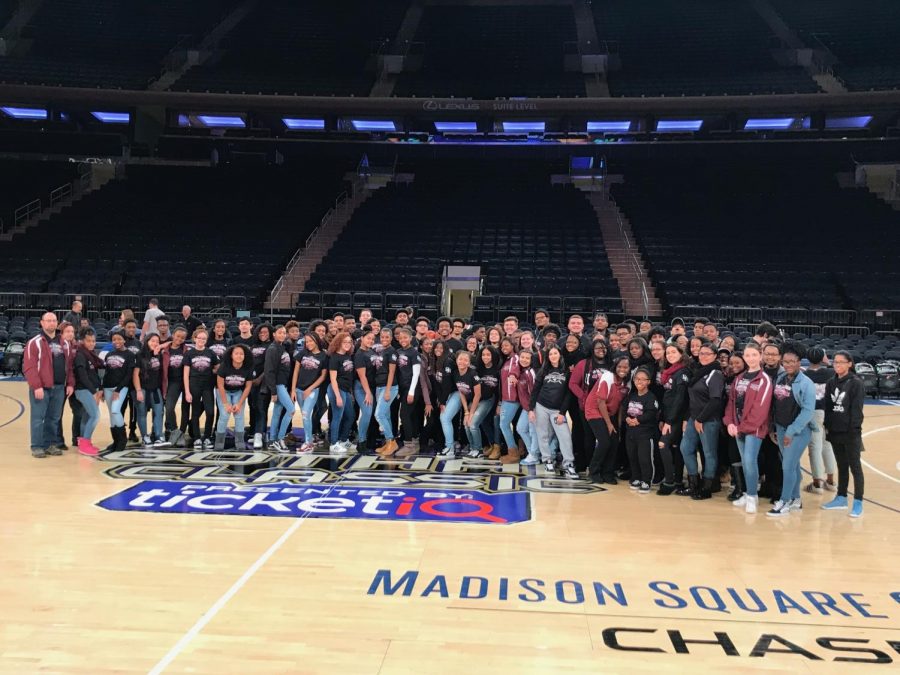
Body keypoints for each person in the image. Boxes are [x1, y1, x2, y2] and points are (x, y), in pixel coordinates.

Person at [724, 342, 773, 513]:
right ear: (744, 357)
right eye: (748, 355)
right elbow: (731, 402)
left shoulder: (764, 380)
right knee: (745, 462)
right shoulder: (739, 378)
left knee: (750, 461)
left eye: (754, 355)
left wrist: (742, 427)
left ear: (760, 356)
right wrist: (730, 422)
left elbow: (760, 409)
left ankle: (752, 496)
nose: (751, 358)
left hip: (754, 429)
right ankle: (746, 492)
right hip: (738, 427)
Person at [768, 344, 816, 517]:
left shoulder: (806, 383)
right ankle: (796, 499)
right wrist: (774, 427)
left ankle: (784, 501)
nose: (788, 364)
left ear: (799, 362)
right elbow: (776, 404)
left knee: (787, 466)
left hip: (798, 432)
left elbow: (808, 411)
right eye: (785, 361)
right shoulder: (781, 377)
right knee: (793, 465)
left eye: (792, 361)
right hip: (780, 428)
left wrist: (791, 431)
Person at [678, 342, 726, 500]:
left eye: (708, 354)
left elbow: (715, 401)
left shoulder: (716, 373)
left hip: (708, 420)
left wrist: (700, 419)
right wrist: (689, 418)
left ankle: (706, 488)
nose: (704, 356)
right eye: (702, 353)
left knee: (709, 453)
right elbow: (692, 399)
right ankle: (693, 483)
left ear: (714, 356)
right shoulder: (698, 371)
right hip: (694, 418)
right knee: (685, 448)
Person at [24, 312, 74, 458]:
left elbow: (69, 366)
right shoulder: (35, 342)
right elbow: (29, 367)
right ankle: (37, 446)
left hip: (59, 387)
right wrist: (36, 386)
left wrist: (70, 383)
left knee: (53, 418)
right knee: (38, 418)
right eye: (48, 321)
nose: (51, 323)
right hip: (41, 388)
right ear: (42, 323)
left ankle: (50, 444)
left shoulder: (64, 343)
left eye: (54, 321)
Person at [822, 350, 866, 518]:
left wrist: (854, 430)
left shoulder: (856, 383)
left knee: (855, 467)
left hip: (850, 433)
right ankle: (841, 497)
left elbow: (857, 410)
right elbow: (828, 406)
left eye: (841, 362)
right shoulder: (830, 382)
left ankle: (858, 502)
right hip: (834, 431)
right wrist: (827, 425)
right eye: (835, 362)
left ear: (850, 363)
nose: (838, 365)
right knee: (841, 466)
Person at [529, 345, 578, 479]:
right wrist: (531, 409)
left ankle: (568, 464)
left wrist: (562, 412)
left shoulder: (567, 372)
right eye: (550, 354)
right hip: (541, 406)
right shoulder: (543, 370)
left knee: (565, 437)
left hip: (558, 410)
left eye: (555, 353)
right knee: (543, 435)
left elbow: (568, 394)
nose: (553, 356)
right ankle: (547, 460)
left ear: (560, 355)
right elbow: (535, 390)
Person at [569, 338, 610, 473]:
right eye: (597, 348)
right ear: (592, 350)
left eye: (603, 348)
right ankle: (587, 463)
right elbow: (573, 383)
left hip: (606, 407)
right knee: (588, 436)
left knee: (605, 438)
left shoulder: (611, 365)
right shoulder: (584, 364)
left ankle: (603, 464)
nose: (601, 350)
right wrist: (584, 397)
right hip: (587, 407)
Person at [657, 344, 690, 495]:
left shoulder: (683, 372)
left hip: (677, 418)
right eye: (668, 353)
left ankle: (669, 481)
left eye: (673, 352)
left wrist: (669, 421)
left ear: (681, 354)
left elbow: (680, 399)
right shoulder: (669, 372)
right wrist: (663, 418)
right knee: (675, 448)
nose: (670, 355)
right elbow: (668, 398)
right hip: (669, 416)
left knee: (663, 444)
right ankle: (677, 481)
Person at [803, 347, 837, 494]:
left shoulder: (805, 375)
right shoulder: (831, 372)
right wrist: (828, 362)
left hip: (814, 412)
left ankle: (817, 483)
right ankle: (830, 481)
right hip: (829, 412)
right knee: (827, 445)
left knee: (814, 446)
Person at [624, 367, 660, 493]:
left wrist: (638, 420)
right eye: (637, 379)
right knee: (632, 457)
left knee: (644, 458)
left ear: (648, 382)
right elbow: (624, 410)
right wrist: (627, 419)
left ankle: (646, 480)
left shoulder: (651, 398)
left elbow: (651, 413)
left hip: (645, 434)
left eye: (643, 379)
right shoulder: (631, 396)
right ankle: (636, 478)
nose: (639, 381)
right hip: (630, 433)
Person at [439, 351, 481, 457]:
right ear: (456, 360)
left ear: (469, 362)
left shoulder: (473, 374)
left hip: (479, 400)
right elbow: (461, 391)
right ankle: (450, 447)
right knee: (444, 417)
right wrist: (466, 412)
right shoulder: (455, 373)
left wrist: (470, 413)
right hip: (463, 398)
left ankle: (476, 448)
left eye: (465, 360)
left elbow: (478, 395)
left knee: (471, 423)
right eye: (460, 359)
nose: (462, 361)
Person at [291, 333, 328, 453]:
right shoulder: (302, 353)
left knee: (306, 414)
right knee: (304, 416)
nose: (309, 344)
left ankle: (308, 443)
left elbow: (322, 377)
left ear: (316, 341)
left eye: (311, 341)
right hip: (299, 389)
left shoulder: (323, 356)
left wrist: (310, 388)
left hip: (312, 390)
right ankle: (309, 440)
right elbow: (295, 372)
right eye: (307, 342)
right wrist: (293, 390)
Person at [183, 328, 219, 450]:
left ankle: (207, 437)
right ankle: (197, 438)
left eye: (204, 338)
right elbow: (185, 374)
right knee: (195, 412)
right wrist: (187, 391)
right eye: (200, 338)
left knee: (210, 412)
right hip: (194, 385)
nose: (202, 340)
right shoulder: (189, 353)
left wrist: (212, 371)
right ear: (194, 339)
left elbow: (217, 367)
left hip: (208, 385)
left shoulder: (210, 353)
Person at [101, 331, 136, 453]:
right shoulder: (109, 354)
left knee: (116, 411)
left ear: (124, 340)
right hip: (107, 387)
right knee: (111, 414)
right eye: (114, 339)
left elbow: (128, 375)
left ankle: (122, 439)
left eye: (119, 339)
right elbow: (106, 373)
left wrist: (118, 389)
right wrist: (102, 389)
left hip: (121, 387)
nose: (117, 341)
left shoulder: (130, 355)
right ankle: (115, 440)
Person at [215, 344, 254, 451]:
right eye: (236, 353)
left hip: (238, 391)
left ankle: (240, 441)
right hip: (224, 391)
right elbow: (220, 385)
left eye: (241, 354)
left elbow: (248, 387)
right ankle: (219, 441)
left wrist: (240, 403)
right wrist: (225, 403)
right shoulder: (224, 366)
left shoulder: (248, 367)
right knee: (224, 415)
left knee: (239, 414)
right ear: (231, 355)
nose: (239, 356)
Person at [72, 328, 104, 456]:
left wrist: (98, 388)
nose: (91, 343)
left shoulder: (91, 354)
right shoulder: (80, 355)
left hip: (91, 389)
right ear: (82, 341)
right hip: (84, 390)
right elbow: (82, 376)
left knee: (87, 416)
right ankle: (85, 443)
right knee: (95, 416)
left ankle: (83, 441)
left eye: (93, 341)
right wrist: (94, 392)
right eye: (89, 341)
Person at [264, 325, 295, 453]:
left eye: (284, 333)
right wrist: (273, 391)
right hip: (278, 385)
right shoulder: (272, 349)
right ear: (274, 334)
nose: (282, 335)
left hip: (283, 384)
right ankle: (280, 438)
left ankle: (272, 440)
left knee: (277, 412)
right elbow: (269, 371)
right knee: (291, 410)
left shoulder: (282, 347)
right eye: (279, 333)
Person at [133, 334, 167, 447]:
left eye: (157, 341)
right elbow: (135, 374)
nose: (155, 343)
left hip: (155, 388)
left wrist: (160, 347)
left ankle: (158, 435)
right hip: (142, 388)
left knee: (159, 412)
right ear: (147, 341)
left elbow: (171, 343)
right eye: (152, 341)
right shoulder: (140, 355)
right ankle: (144, 436)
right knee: (142, 413)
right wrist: (138, 390)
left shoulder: (159, 355)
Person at [466, 345, 500, 458]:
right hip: (479, 400)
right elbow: (472, 387)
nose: (485, 357)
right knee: (484, 423)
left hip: (492, 400)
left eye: (488, 354)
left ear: (493, 356)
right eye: (483, 354)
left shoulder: (497, 370)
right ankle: (488, 444)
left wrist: (499, 404)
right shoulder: (478, 369)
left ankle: (493, 446)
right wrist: (471, 402)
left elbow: (500, 389)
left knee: (490, 423)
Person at [326, 332, 356, 454]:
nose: (347, 344)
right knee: (337, 417)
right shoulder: (334, 357)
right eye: (345, 342)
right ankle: (334, 443)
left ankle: (343, 440)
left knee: (350, 416)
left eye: (349, 342)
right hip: (336, 389)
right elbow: (333, 379)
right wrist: (338, 396)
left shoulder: (348, 356)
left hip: (345, 390)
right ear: (338, 343)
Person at [161, 326, 190, 446]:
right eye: (178, 336)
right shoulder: (165, 350)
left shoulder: (187, 350)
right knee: (169, 407)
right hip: (172, 382)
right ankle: (174, 430)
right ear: (173, 335)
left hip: (186, 382)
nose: (179, 339)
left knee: (185, 409)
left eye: (183, 337)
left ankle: (182, 433)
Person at [373, 328, 399, 455]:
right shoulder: (381, 351)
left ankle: (392, 441)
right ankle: (388, 443)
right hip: (379, 386)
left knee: (379, 414)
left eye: (387, 337)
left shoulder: (392, 352)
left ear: (391, 338)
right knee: (386, 416)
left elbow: (392, 372)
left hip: (389, 387)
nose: (384, 339)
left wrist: (388, 390)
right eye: (382, 337)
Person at [352, 330, 378, 454]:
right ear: (362, 338)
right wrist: (368, 392)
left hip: (371, 387)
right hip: (361, 388)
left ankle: (366, 440)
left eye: (373, 339)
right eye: (368, 338)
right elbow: (362, 377)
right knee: (367, 413)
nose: (371, 341)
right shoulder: (359, 355)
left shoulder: (372, 351)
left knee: (370, 414)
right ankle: (361, 442)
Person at [249, 323, 273, 449]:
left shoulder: (272, 346)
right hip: (253, 382)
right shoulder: (254, 346)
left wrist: (259, 378)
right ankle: (260, 432)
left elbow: (270, 367)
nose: (263, 334)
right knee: (254, 407)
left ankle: (259, 434)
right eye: (260, 332)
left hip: (264, 382)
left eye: (265, 332)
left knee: (261, 407)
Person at [514, 349, 540, 465]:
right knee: (520, 428)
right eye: (522, 357)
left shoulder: (531, 373)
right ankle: (532, 453)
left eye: (527, 358)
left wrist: (532, 409)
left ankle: (534, 456)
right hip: (526, 407)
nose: (524, 360)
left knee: (533, 431)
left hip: (533, 407)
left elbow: (534, 392)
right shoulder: (521, 371)